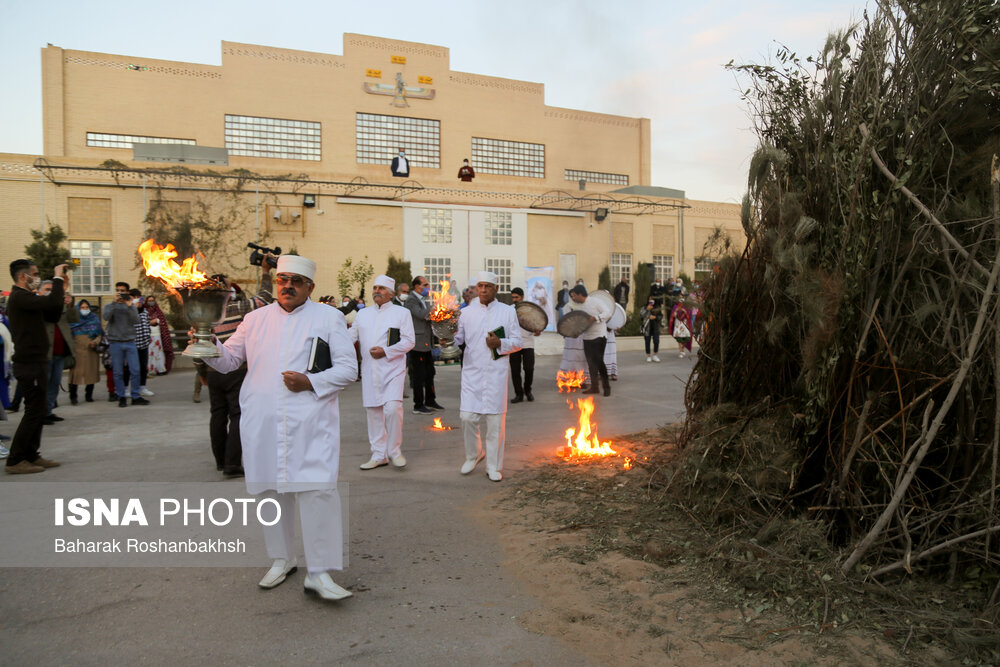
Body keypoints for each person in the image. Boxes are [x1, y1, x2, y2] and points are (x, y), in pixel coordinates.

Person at [205, 254, 358, 601]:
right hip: (263, 418)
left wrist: (311, 381)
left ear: (310, 287)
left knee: (317, 490)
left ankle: (319, 573)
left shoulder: (330, 317)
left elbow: (349, 369)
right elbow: (229, 361)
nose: (287, 286)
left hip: (310, 419)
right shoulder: (255, 319)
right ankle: (282, 558)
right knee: (269, 491)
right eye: (282, 279)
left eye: (296, 281)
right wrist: (206, 342)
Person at [453, 271, 521, 482]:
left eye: (487, 286)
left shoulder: (507, 312)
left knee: (495, 423)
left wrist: (501, 344)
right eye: (480, 286)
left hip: (496, 374)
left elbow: (518, 342)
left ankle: (493, 466)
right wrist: (446, 339)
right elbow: (458, 339)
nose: (482, 289)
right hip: (472, 373)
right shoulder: (466, 313)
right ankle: (474, 455)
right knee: (467, 417)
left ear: (496, 289)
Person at [205, 267, 274, 477]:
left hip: (212, 369)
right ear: (226, 289)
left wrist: (201, 372)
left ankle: (219, 460)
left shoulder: (205, 312)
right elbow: (264, 297)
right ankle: (232, 463)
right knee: (237, 415)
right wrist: (265, 271)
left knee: (217, 414)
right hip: (236, 370)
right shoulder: (238, 307)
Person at [5, 259, 68, 474]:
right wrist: (57, 278)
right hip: (28, 363)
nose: (37, 277)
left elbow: (52, 312)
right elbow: (50, 305)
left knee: (39, 410)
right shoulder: (19, 297)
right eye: (34, 274)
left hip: (39, 360)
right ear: (23, 277)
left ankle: (31, 454)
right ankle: (15, 460)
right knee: (32, 411)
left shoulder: (29, 299)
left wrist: (62, 287)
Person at [351, 275, 415, 470]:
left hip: (393, 368)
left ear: (390, 293)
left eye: (381, 288)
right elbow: (350, 335)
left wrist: (386, 351)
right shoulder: (363, 314)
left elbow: (409, 341)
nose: (376, 291)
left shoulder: (401, 313)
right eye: (375, 288)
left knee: (392, 409)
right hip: (370, 370)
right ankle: (379, 455)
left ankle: (394, 452)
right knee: (374, 412)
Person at [402, 275, 444, 416]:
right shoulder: (411, 300)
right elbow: (421, 315)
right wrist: (434, 307)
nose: (427, 288)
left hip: (426, 343)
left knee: (430, 373)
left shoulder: (423, 300)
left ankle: (430, 401)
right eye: (425, 285)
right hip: (417, 343)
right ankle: (418, 404)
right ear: (417, 286)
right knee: (419, 375)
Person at [103, 282, 149, 408]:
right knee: (117, 372)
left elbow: (136, 320)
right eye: (117, 290)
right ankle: (121, 396)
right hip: (115, 342)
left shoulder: (131, 306)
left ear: (127, 292)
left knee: (135, 370)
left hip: (130, 342)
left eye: (122, 290)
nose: (120, 292)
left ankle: (135, 396)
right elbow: (106, 317)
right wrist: (114, 303)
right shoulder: (110, 305)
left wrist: (130, 306)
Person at [41, 285, 77, 424]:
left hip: (61, 352)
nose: (50, 291)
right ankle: (42, 413)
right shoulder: (40, 307)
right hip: (46, 353)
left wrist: (70, 305)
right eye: (47, 289)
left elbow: (74, 318)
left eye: (52, 289)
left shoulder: (61, 307)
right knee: (45, 384)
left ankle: (49, 411)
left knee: (55, 384)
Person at [569, 285, 610, 397]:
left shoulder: (596, 302)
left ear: (580, 294)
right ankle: (594, 387)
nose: (573, 298)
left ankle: (606, 387)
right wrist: (576, 332)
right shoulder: (579, 307)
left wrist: (595, 318)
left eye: (574, 296)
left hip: (599, 336)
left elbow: (607, 313)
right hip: (587, 337)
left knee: (599, 362)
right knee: (591, 363)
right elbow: (581, 323)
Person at [68, 298, 103, 404]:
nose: (85, 309)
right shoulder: (73, 320)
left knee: (90, 373)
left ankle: (89, 395)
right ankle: (73, 397)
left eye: (87, 307)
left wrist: (95, 342)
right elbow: (68, 335)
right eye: (82, 307)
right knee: (75, 375)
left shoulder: (94, 319)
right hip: (77, 350)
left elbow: (100, 334)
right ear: (78, 308)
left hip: (91, 351)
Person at [508, 287, 538, 403]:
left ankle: (528, 391)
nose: (515, 299)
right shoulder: (510, 310)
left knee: (529, 368)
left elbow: (538, 323)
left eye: (517, 297)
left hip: (528, 343)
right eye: (513, 297)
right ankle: (518, 394)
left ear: (522, 297)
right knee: (515, 371)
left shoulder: (530, 309)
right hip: (514, 343)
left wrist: (538, 330)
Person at [124, 288, 153, 397]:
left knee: (142, 367)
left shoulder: (145, 311)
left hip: (144, 344)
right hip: (132, 344)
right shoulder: (128, 311)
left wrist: (148, 336)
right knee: (128, 368)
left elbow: (146, 325)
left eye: (139, 297)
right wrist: (133, 309)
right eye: (135, 298)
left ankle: (142, 387)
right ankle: (126, 388)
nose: (138, 300)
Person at [143, 294, 174, 375]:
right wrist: (151, 322)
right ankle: (149, 370)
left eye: (152, 300)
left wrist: (157, 321)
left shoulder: (158, 311)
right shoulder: (144, 311)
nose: (151, 302)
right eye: (149, 301)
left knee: (158, 352)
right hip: (148, 335)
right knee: (149, 353)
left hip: (157, 335)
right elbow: (142, 322)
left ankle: (160, 369)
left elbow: (162, 322)